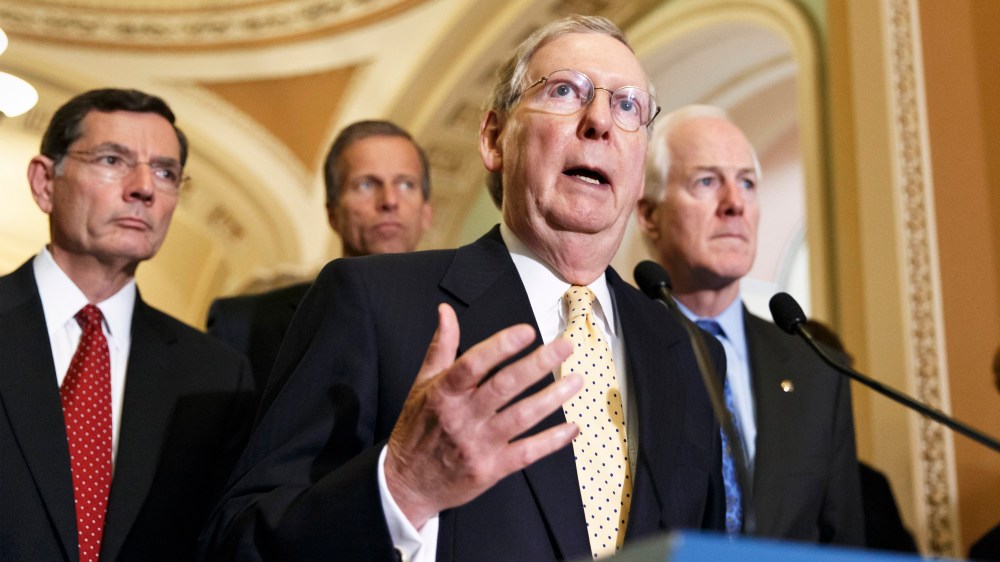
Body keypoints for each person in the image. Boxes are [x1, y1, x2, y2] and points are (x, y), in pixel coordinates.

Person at [200, 15, 725, 561]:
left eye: (627, 106)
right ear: (494, 139)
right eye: (567, 91)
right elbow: (236, 543)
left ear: (640, 167)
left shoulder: (689, 350)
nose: (599, 121)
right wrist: (401, 487)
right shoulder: (374, 302)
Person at [0, 89, 255, 561]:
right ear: (44, 183)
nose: (144, 188)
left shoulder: (217, 378)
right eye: (113, 159)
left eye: (165, 172)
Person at [636, 104, 864, 544]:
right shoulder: (612, 348)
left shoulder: (817, 370)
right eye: (706, 181)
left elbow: (842, 540)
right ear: (648, 214)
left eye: (747, 183)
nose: (734, 204)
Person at [205, 120, 433, 393]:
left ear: (427, 212)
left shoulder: (470, 316)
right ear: (332, 213)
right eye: (365, 185)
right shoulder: (243, 327)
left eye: (406, 184)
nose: (389, 200)